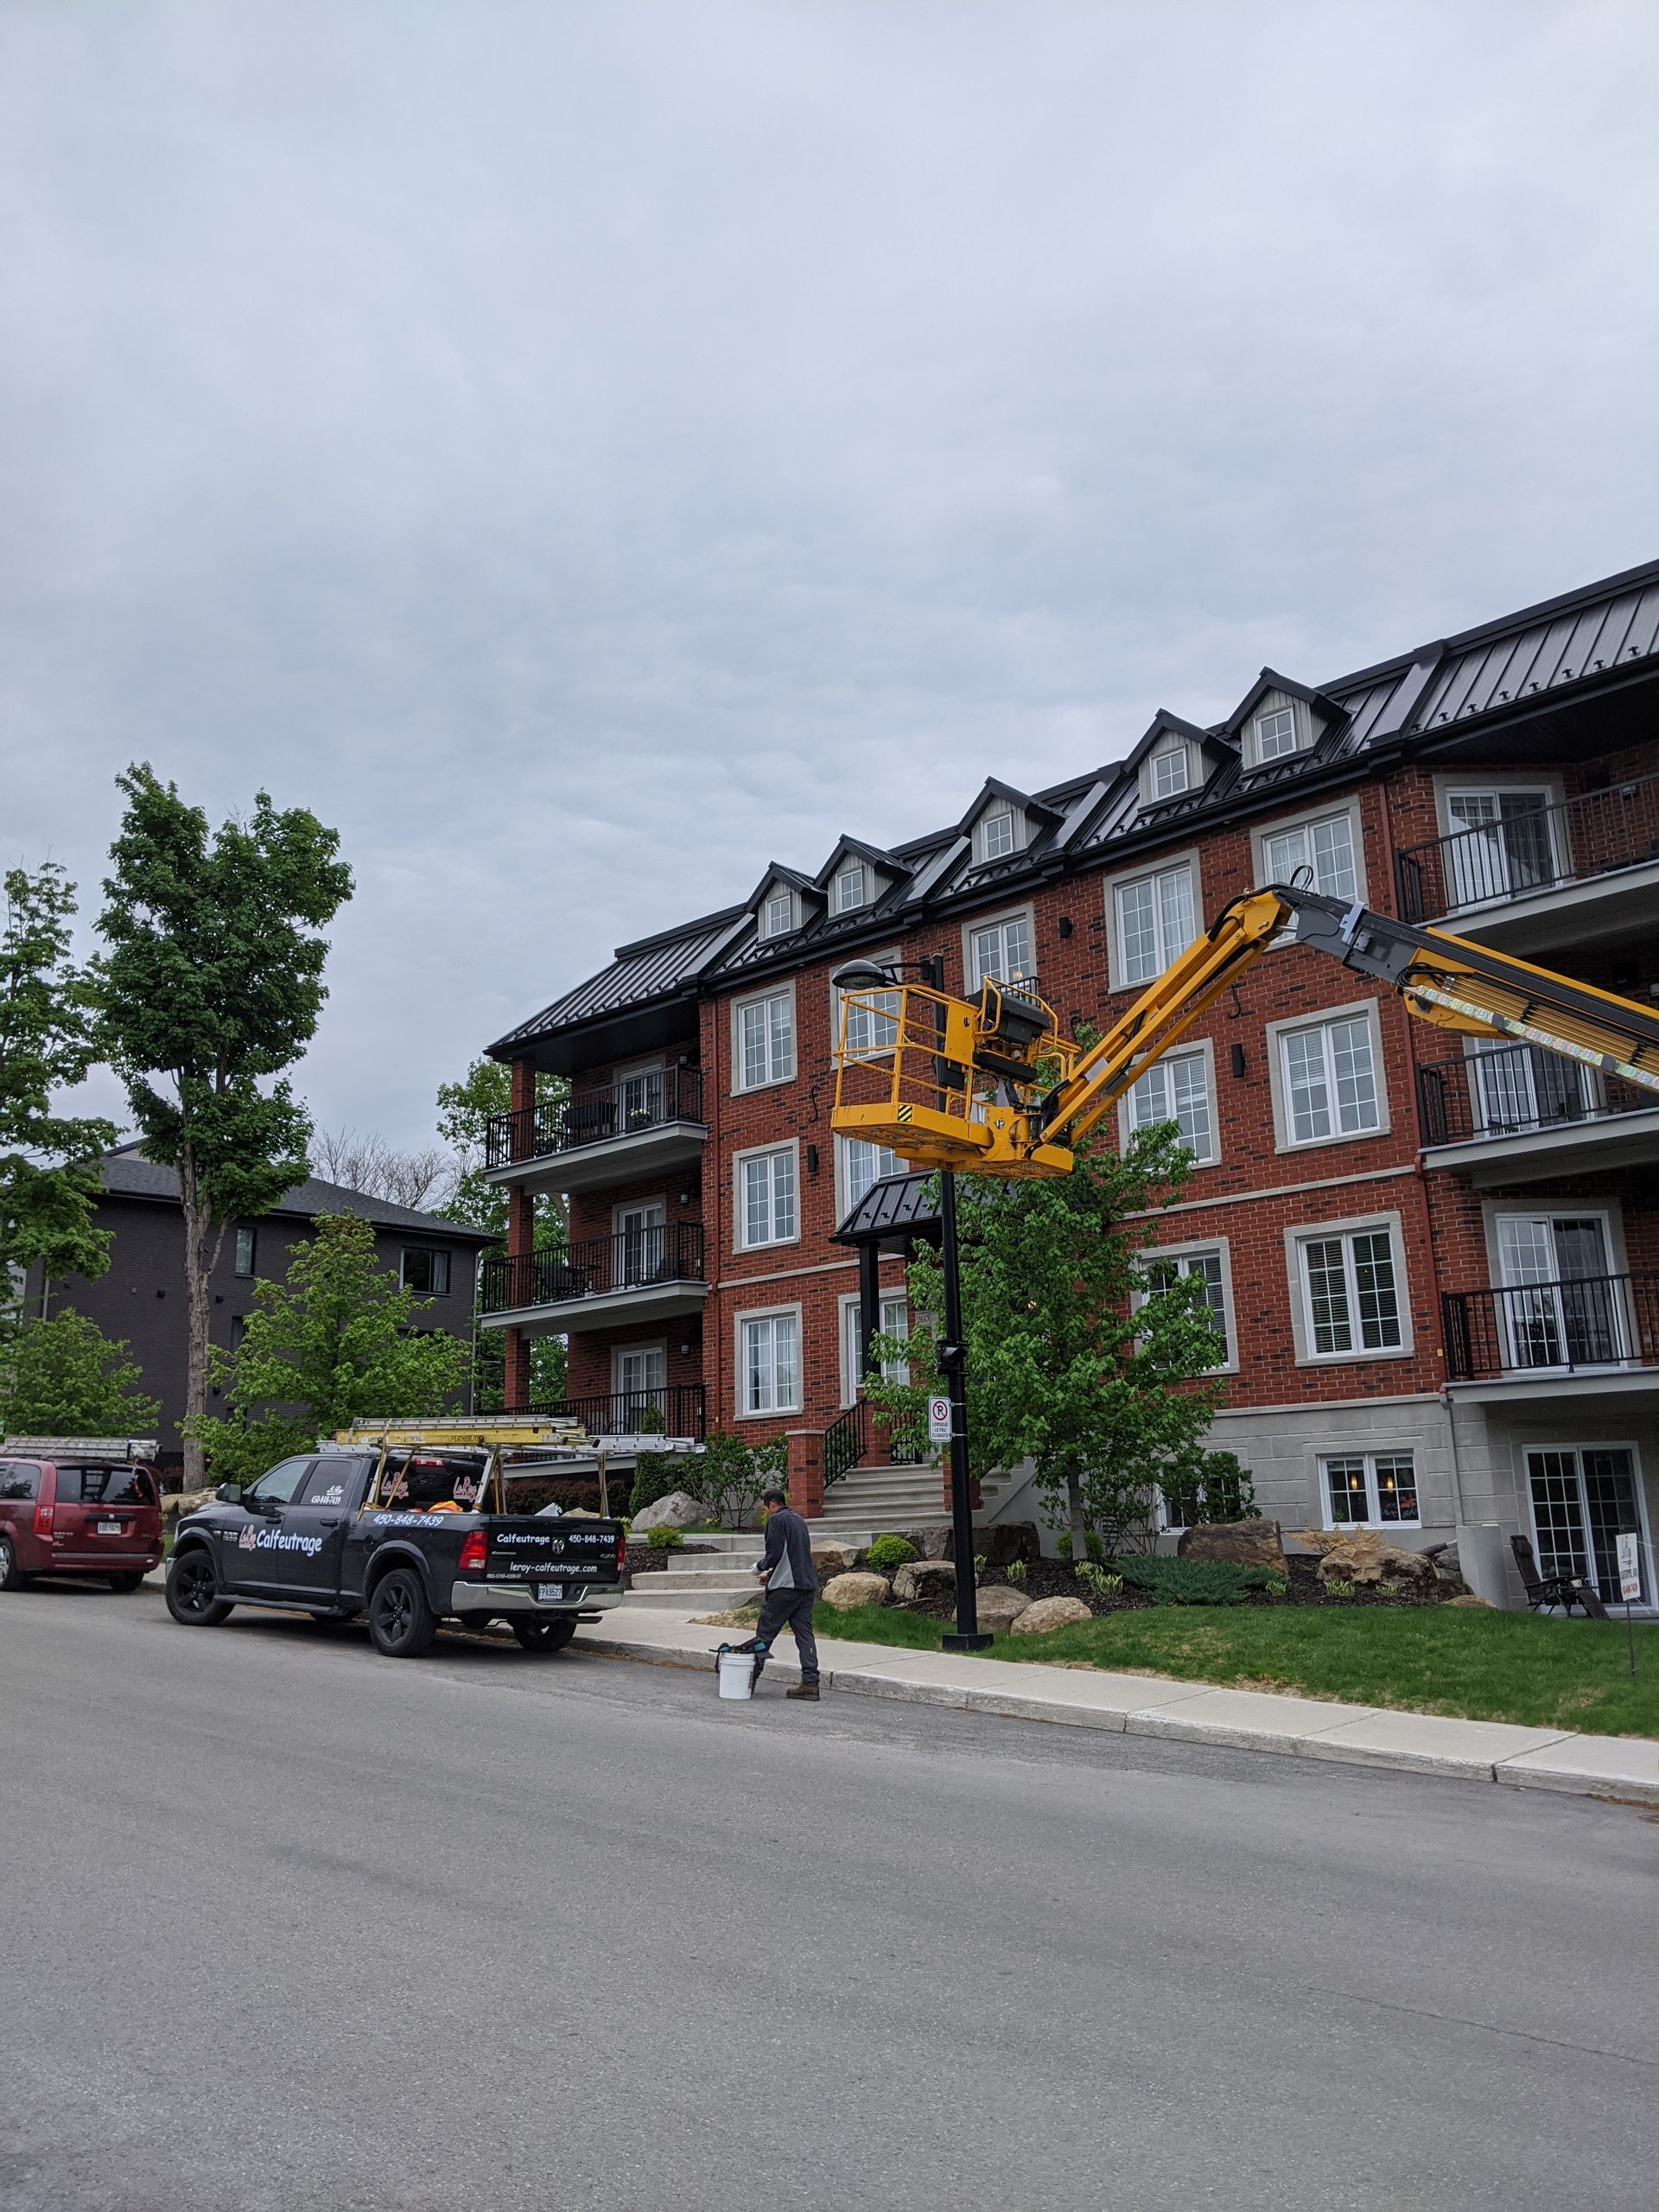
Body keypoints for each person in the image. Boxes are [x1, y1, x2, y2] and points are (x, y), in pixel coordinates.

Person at [752, 1484, 820, 1701]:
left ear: (772, 1504)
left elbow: (774, 1554)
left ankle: (748, 1678)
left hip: (784, 1590)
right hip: (806, 1586)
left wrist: (759, 1567)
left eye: (765, 1509)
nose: (766, 1513)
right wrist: (771, 1576)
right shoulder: (799, 1520)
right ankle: (810, 1684)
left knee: (765, 1633)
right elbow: (793, 1556)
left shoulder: (776, 1520)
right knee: (804, 1634)